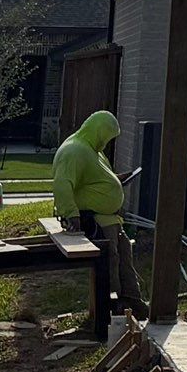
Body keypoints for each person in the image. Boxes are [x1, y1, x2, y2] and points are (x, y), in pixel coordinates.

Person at [51, 109, 146, 320]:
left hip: (112, 220)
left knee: (124, 261)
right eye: (106, 137)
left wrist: (115, 181)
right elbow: (62, 184)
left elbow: (96, 179)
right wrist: (72, 215)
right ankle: (111, 310)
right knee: (110, 263)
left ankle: (133, 303)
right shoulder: (74, 150)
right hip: (98, 221)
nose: (106, 143)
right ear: (98, 131)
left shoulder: (92, 149)